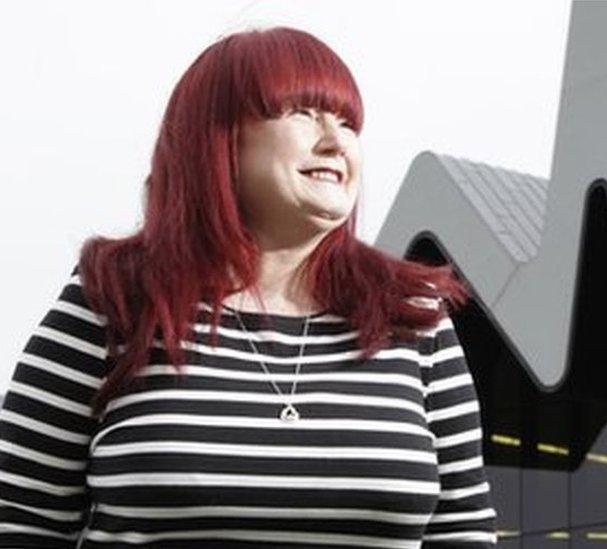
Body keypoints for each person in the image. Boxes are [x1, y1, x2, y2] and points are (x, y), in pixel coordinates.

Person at [0, 26, 497, 547]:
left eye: (348, 122)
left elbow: (461, 531)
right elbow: (19, 520)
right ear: (218, 139)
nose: (335, 140)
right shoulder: (113, 298)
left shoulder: (413, 316)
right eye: (302, 113)